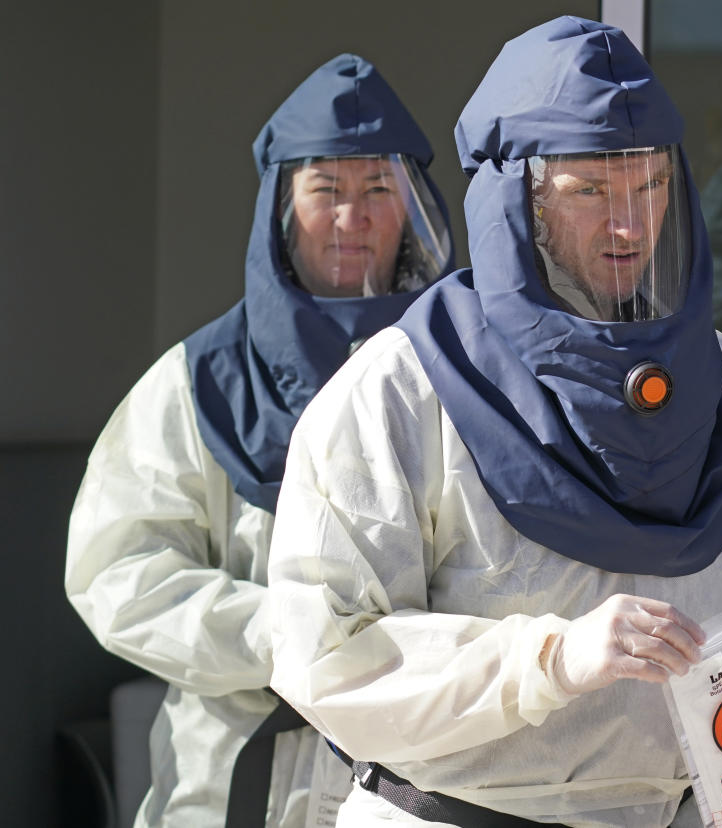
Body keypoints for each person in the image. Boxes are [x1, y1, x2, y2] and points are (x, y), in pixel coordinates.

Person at [266, 17, 722, 827]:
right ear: (517, 201)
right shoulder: (400, 391)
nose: (629, 226)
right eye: (590, 192)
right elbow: (327, 656)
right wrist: (550, 658)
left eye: (649, 187)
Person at [65, 53, 455, 828]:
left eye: (379, 188)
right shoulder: (196, 382)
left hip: (412, 791)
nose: (353, 219)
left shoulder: (459, 374)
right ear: (281, 206)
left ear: (414, 206)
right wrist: (290, 637)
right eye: (326, 191)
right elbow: (116, 570)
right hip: (227, 796)